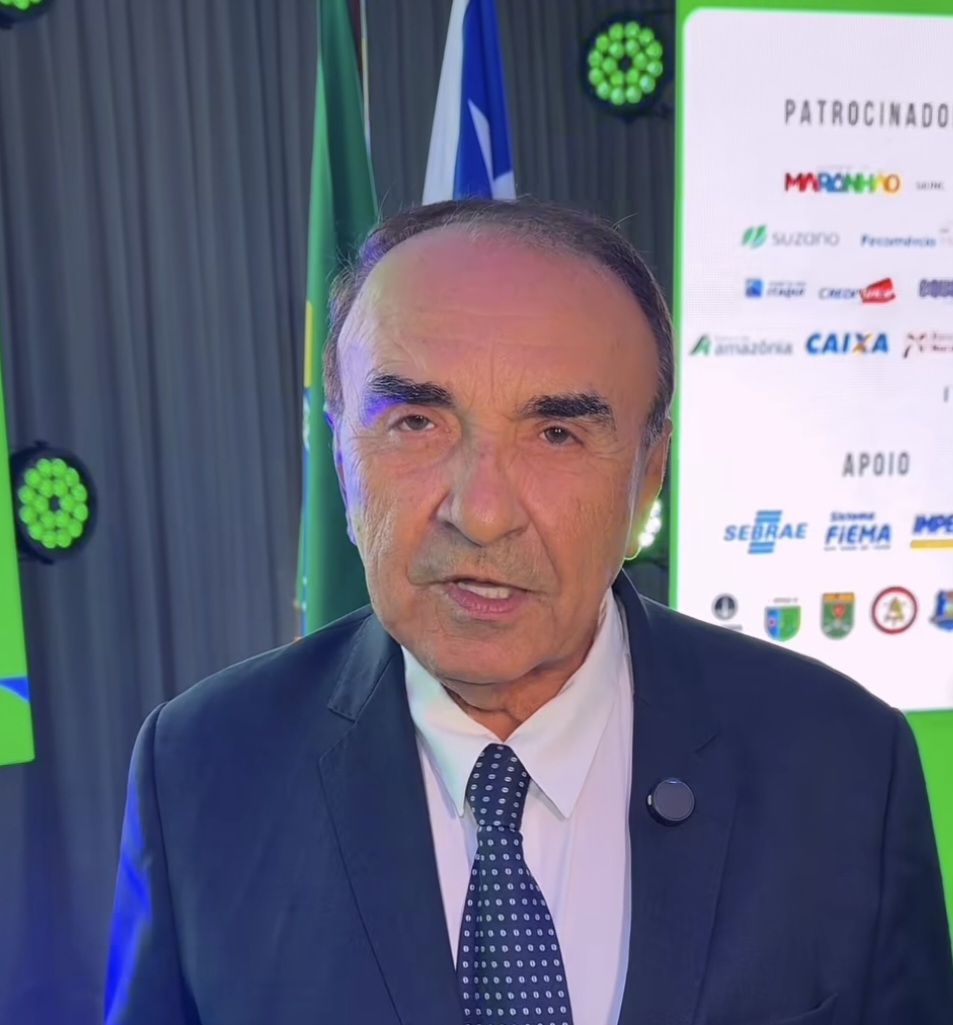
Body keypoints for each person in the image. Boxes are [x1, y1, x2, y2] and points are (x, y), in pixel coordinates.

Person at [104, 198, 953, 1025]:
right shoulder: (201, 768)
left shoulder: (843, 765)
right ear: (339, 451)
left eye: (556, 435)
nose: (480, 513)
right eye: (415, 422)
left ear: (649, 472)